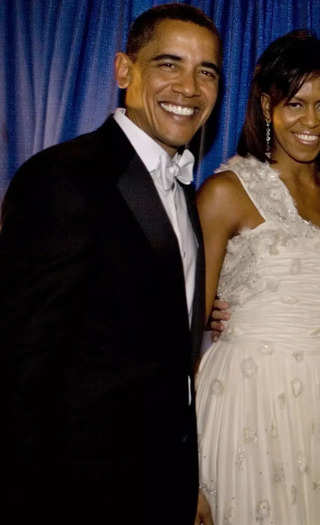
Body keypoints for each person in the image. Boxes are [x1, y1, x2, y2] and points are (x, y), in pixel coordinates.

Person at [0, 4, 221, 524]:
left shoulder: (182, 189)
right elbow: (19, 366)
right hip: (79, 491)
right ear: (125, 70)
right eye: (169, 64)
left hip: (159, 481)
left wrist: (184, 482)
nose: (189, 87)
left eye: (206, 71)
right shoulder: (62, 179)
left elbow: (167, 356)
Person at [194, 30, 320, 525]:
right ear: (268, 106)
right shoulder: (225, 192)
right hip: (248, 399)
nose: (310, 122)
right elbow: (180, 332)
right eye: (295, 103)